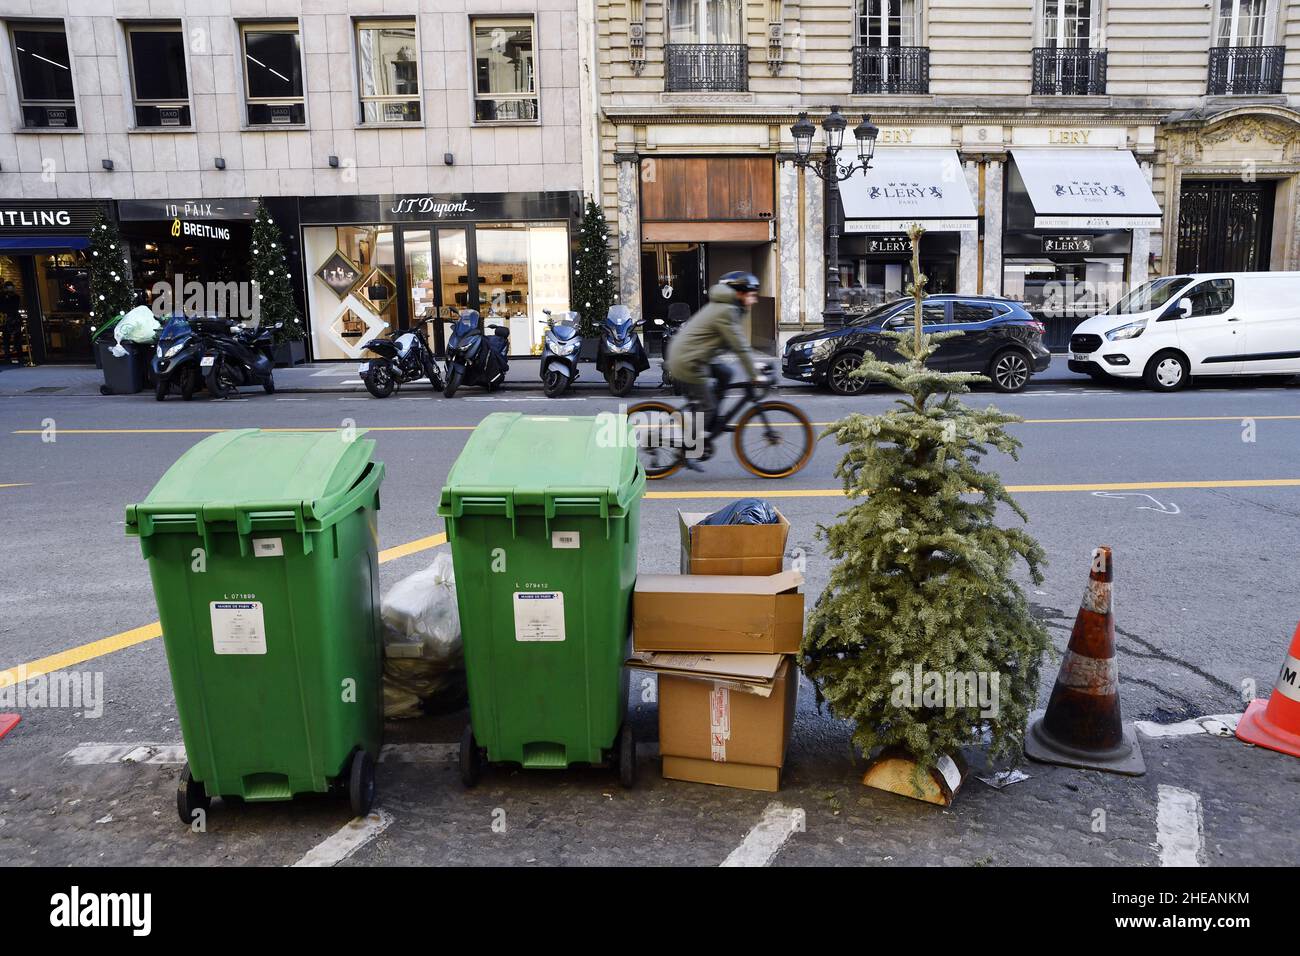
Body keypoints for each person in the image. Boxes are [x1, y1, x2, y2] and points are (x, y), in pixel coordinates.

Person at [663, 271, 767, 445]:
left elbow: (737, 344)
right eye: (752, 294)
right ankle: (691, 444)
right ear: (739, 293)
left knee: (726, 373)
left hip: (696, 357)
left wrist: (755, 366)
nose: (755, 299)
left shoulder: (730, 307)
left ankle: (708, 418)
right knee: (708, 406)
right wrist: (755, 375)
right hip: (688, 362)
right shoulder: (726, 310)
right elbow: (739, 346)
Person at [0, 281, 23, 365]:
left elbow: (14, 307)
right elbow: (2, 307)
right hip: (6, 319)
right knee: (6, 339)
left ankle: (20, 356)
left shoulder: (16, 297)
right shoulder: (2, 296)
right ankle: (7, 357)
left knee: (17, 338)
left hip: (14, 318)